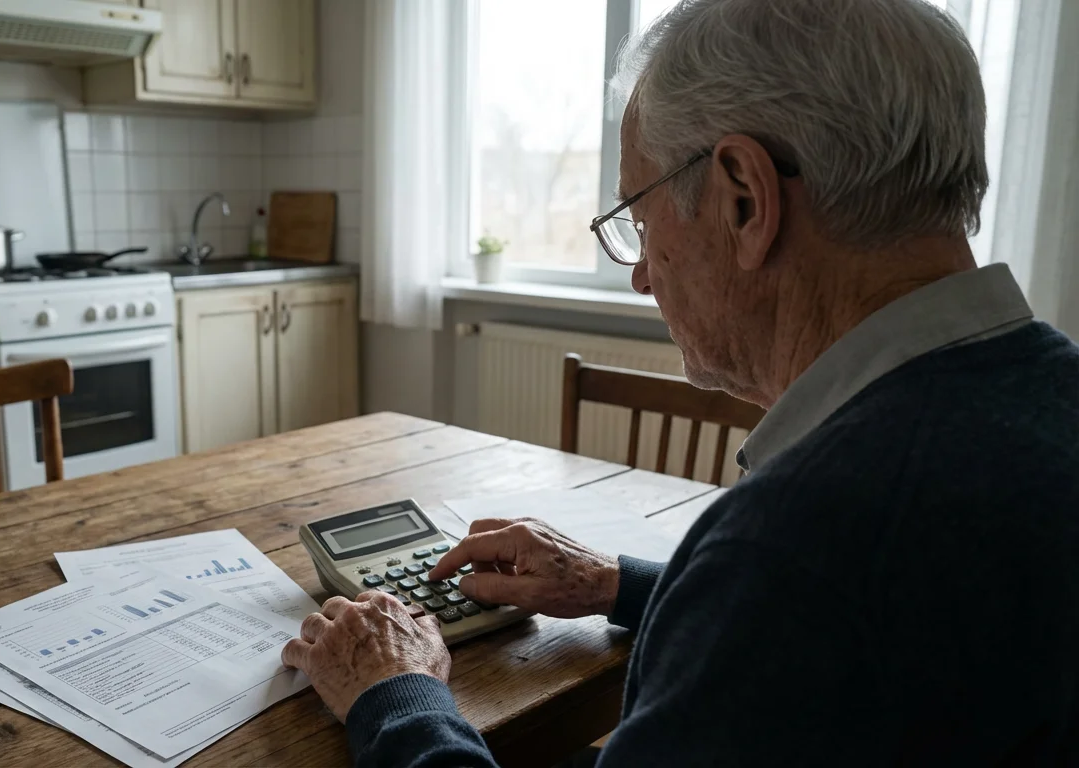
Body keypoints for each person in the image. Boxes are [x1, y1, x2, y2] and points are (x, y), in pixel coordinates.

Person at [280, 0, 1079, 764]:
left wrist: (399, 695)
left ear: (742, 198)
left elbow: (804, 597)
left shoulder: (797, 547)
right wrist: (613, 584)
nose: (640, 278)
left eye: (639, 215)